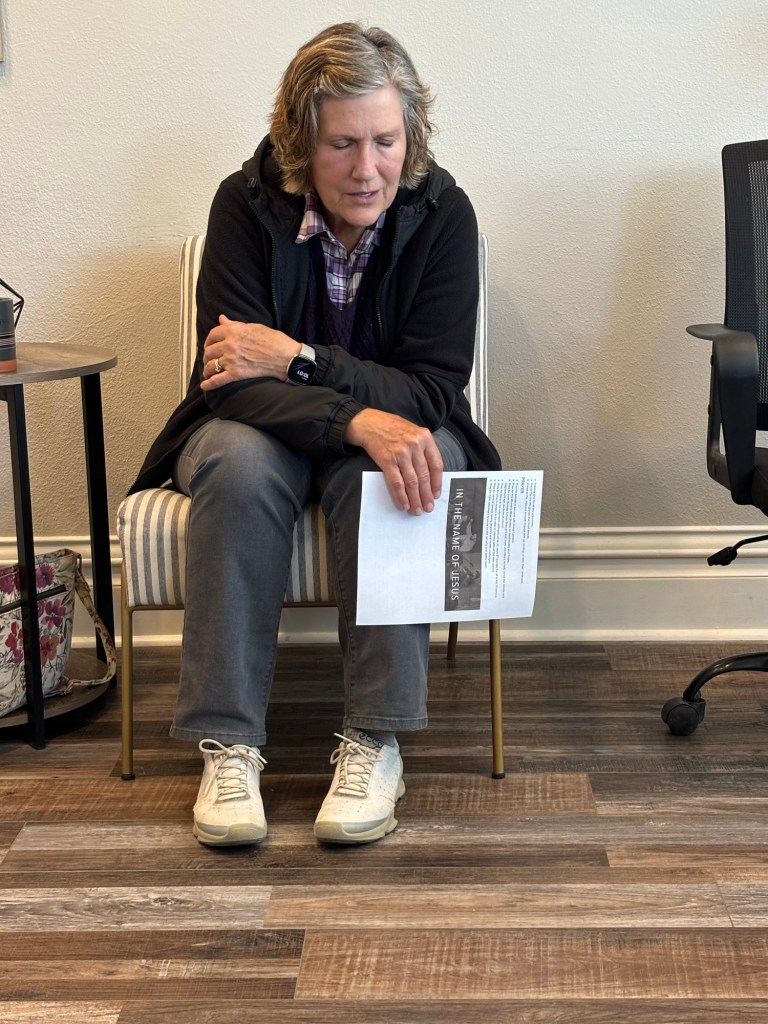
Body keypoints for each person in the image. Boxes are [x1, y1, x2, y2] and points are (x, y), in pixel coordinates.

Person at [129, 21, 501, 847]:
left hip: (406, 428)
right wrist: (357, 417)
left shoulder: (444, 213)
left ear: (411, 137)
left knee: (395, 463)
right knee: (236, 461)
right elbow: (232, 381)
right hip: (251, 428)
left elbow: (430, 389)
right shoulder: (244, 203)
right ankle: (228, 744)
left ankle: (376, 739)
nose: (367, 169)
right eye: (342, 145)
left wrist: (295, 357)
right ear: (302, 141)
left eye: (385, 141)